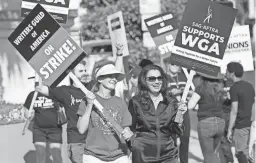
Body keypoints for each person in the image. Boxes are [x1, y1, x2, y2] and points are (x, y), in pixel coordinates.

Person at [36, 60, 95, 163]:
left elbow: (112, 80)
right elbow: (39, 88)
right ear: (72, 74)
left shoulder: (92, 88)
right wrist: (39, 71)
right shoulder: (64, 91)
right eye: (81, 71)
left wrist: (119, 55)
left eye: (85, 70)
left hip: (95, 141)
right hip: (77, 142)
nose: (85, 73)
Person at [77, 63, 133, 163]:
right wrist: (89, 105)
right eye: (110, 76)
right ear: (100, 79)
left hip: (119, 155)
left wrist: (128, 132)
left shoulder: (120, 101)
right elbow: (81, 129)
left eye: (115, 77)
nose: (114, 79)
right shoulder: (88, 99)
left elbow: (126, 127)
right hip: (93, 156)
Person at [128, 64, 185, 163]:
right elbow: (130, 128)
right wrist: (133, 147)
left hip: (169, 155)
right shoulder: (135, 101)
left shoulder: (171, 102)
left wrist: (180, 116)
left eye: (159, 78)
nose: (157, 81)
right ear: (144, 81)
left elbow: (177, 131)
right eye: (152, 79)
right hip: (143, 156)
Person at [188, 72, 226, 163]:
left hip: (206, 123)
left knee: (209, 155)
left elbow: (190, 106)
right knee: (214, 152)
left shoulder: (200, 88)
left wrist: (188, 99)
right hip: (220, 122)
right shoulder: (220, 89)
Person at [24, 78, 63, 163]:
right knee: (40, 154)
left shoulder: (54, 93)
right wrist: (28, 114)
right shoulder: (32, 95)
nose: (37, 83)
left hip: (55, 129)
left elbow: (63, 106)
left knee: (56, 155)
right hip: (39, 129)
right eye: (36, 81)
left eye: (40, 80)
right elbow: (26, 111)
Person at [225, 62, 255, 163]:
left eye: (227, 71)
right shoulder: (249, 86)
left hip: (240, 125)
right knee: (249, 153)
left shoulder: (234, 88)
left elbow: (234, 110)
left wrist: (229, 129)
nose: (225, 73)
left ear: (232, 73)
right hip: (251, 123)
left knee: (240, 154)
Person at [164, 59, 191, 163]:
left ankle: (184, 161)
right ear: (168, 64)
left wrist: (183, 91)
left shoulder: (185, 77)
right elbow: (162, 94)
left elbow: (193, 92)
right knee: (172, 139)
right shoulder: (164, 78)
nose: (175, 66)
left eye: (177, 64)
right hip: (171, 113)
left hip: (184, 112)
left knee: (185, 138)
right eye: (172, 63)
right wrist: (171, 93)